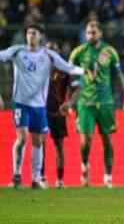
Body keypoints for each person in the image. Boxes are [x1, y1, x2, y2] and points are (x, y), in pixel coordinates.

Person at [0, 23, 85, 189]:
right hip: (21, 103)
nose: (31, 36)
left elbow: (67, 67)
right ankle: (17, 176)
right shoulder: (17, 51)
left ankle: (36, 178)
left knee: (38, 141)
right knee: (23, 138)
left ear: (40, 36)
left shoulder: (48, 54)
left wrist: (84, 71)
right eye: (29, 33)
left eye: (34, 33)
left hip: (39, 105)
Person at [66, 20, 124, 188]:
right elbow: (68, 75)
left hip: (106, 102)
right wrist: (69, 99)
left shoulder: (109, 52)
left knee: (107, 140)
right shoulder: (78, 52)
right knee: (86, 139)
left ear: (100, 33)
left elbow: (119, 75)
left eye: (93, 32)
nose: (90, 35)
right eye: (88, 32)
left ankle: (108, 176)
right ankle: (84, 165)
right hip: (85, 102)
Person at [40, 40, 75, 189]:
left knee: (59, 146)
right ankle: (41, 178)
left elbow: (75, 89)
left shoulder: (65, 70)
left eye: (54, 50)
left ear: (59, 52)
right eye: (48, 50)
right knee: (40, 144)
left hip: (58, 111)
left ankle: (60, 180)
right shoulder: (38, 67)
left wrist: (70, 103)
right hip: (41, 110)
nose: (51, 53)